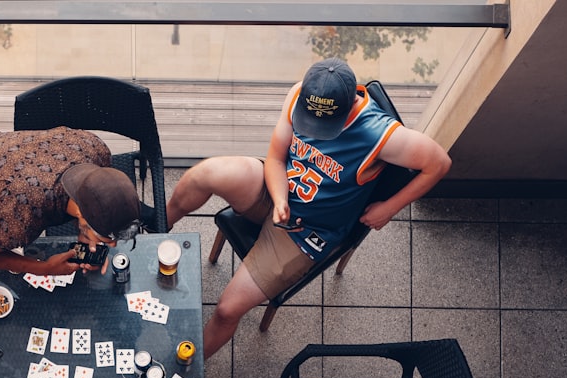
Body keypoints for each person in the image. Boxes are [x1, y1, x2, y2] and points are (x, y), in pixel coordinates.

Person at [166, 58, 451, 360]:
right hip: (278, 192)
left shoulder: (381, 135)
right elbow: (276, 159)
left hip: (307, 232)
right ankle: (157, 229)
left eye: (323, 127)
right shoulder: (298, 94)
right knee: (207, 173)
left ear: (349, 106)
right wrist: (279, 199)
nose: (313, 131)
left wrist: (390, 208)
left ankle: (184, 370)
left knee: (226, 310)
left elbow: (439, 163)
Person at [0, 121, 148, 308]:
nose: (114, 244)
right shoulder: (20, 214)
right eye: (107, 237)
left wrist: (87, 233)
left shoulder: (95, 150)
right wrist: (44, 268)